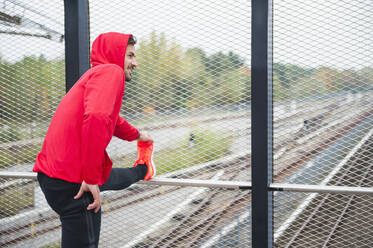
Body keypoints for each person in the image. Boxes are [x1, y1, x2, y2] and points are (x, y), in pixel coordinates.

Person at [33, 32, 156, 248]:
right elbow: (98, 116)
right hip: (73, 181)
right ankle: (144, 169)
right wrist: (89, 177)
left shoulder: (95, 74)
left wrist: (138, 135)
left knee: (105, 175)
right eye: (129, 56)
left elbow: (112, 119)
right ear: (115, 55)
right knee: (97, 179)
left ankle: (144, 169)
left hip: (54, 175)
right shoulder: (112, 71)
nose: (134, 63)